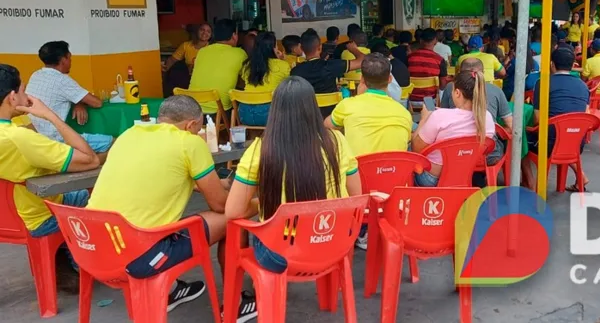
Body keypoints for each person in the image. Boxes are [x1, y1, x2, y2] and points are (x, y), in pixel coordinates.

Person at [87, 95, 257, 319]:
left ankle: (171, 291)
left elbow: (160, 176)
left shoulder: (129, 135)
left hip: (91, 249)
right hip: (139, 256)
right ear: (191, 125)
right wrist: (259, 203)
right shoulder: (189, 142)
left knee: (156, 217)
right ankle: (234, 305)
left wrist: (219, 183)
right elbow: (221, 205)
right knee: (232, 220)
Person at [225, 77, 362, 274]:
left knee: (253, 231)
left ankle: (259, 294)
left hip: (279, 255)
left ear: (274, 110)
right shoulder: (337, 141)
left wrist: (270, 205)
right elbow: (356, 195)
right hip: (332, 245)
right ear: (313, 107)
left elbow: (233, 212)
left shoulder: (260, 149)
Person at [0, 64, 100, 290]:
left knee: (81, 194)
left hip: (10, 216)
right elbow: (89, 159)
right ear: (12, 97)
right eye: (24, 91)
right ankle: (89, 261)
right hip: (40, 215)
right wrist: (50, 115)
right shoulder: (17, 137)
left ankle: (64, 254)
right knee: (104, 201)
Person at [26, 41, 112, 159]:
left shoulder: (36, 75)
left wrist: (78, 103)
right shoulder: (61, 80)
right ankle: (92, 163)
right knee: (115, 143)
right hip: (57, 138)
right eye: (70, 58)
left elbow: (66, 95)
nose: (71, 62)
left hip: (38, 133)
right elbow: (97, 103)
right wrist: (80, 101)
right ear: (63, 60)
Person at [412, 70, 495, 187]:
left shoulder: (439, 117)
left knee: (409, 147)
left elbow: (416, 149)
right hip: (464, 177)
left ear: (457, 93)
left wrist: (424, 119)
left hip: (432, 180)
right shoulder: (486, 118)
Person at [325, 53, 412, 157]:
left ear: (362, 79)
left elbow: (326, 127)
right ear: (389, 79)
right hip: (393, 171)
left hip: (357, 171)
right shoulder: (404, 113)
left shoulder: (348, 105)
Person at [441, 59, 513, 185]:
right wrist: (496, 131)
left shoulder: (450, 88)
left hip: (457, 155)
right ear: (482, 74)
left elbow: (443, 118)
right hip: (489, 154)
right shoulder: (495, 91)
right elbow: (511, 126)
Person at [529, 48, 590, 191]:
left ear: (552, 64)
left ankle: (531, 185)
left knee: (521, 142)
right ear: (573, 65)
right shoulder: (583, 85)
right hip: (576, 143)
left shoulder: (543, 83)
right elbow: (585, 115)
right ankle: (580, 176)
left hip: (548, 144)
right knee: (563, 136)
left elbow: (537, 119)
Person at [291, 31, 365, 117]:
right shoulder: (330, 65)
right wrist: (354, 49)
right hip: (331, 115)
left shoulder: (295, 71)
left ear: (301, 48)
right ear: (320, 47)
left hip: (306, 116)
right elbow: (362, 61)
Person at [189, 19, 248, 115]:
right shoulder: (239, 53)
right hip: (219, 112)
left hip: (192, 110)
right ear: (234, 36)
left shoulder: (202, 51)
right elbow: (248, 80)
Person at [238, 32, 290, 126]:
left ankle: (255, 139)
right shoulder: (282, 65)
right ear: (273, 48)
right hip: (270, 115)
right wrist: (282, 60)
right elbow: (290, 85)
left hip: (245, 115)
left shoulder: (247, 66)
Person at [407, 28, 450, 102]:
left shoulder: (409, 58)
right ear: (435, 41)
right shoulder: (439, 60)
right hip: (430, 101)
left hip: (411, 100)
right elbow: (442, 85)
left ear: (420, 41)